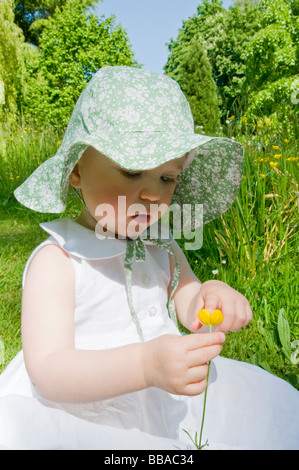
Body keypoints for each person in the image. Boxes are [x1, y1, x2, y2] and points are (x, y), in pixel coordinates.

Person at [0, 66, 298, 450]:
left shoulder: (162, 244)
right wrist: (144, 366)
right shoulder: (59, 260)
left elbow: (189, 301)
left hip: (164, 395)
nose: (152, 194)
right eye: (132, 171)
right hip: (81, 409)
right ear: (76, 169)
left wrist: (210, 296)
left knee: (266, 411)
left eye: (167, 178)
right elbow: (49, 370)